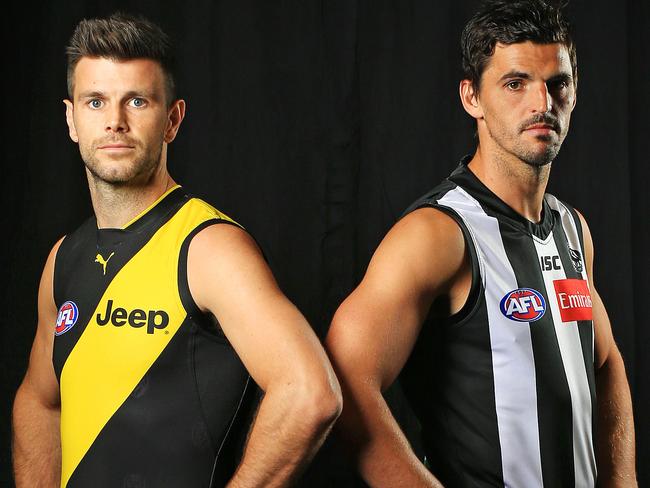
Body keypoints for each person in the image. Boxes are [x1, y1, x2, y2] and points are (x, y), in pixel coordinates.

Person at [12, 13, 341, 488]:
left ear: (172, 119)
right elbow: (39, 400)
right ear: (71, 119)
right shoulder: (64, 258)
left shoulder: (209, 248)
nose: (115, 122)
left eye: (137, 101)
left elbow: (311, 393)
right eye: (96, 101)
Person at [325, 1, 636, 486]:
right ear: (472, 98)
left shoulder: (572, 228)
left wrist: (624, 480)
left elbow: (606, 360)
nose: (541, 104)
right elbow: (344, 380)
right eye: (515, 84)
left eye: (557, 84)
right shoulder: (439, 232)